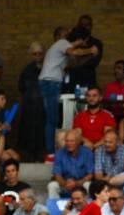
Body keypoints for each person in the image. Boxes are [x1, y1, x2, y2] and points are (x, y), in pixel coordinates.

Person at [39, 27, 100, 155]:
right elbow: (75, 52)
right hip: (51, 82)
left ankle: (51, 150)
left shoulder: (60, 51)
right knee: (52, 120)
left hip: (50, 83)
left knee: (52, 119)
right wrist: (90, 49)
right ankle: (50, 152)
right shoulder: (62, 43)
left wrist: (89, 55)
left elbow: (74, 65)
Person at [48, 130, 94, 199]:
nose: (69, 143)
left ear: (78, 142)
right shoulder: (60, 153)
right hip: (64, 184)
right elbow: (57, 175)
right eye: (67, 141)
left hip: (80, 184)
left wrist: (76, 183)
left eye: (72, 141)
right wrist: (66, 183)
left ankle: (86, 208)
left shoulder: (87, 153)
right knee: (52, 185)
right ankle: (54, 209)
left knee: (88, 185)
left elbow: (90, 175)